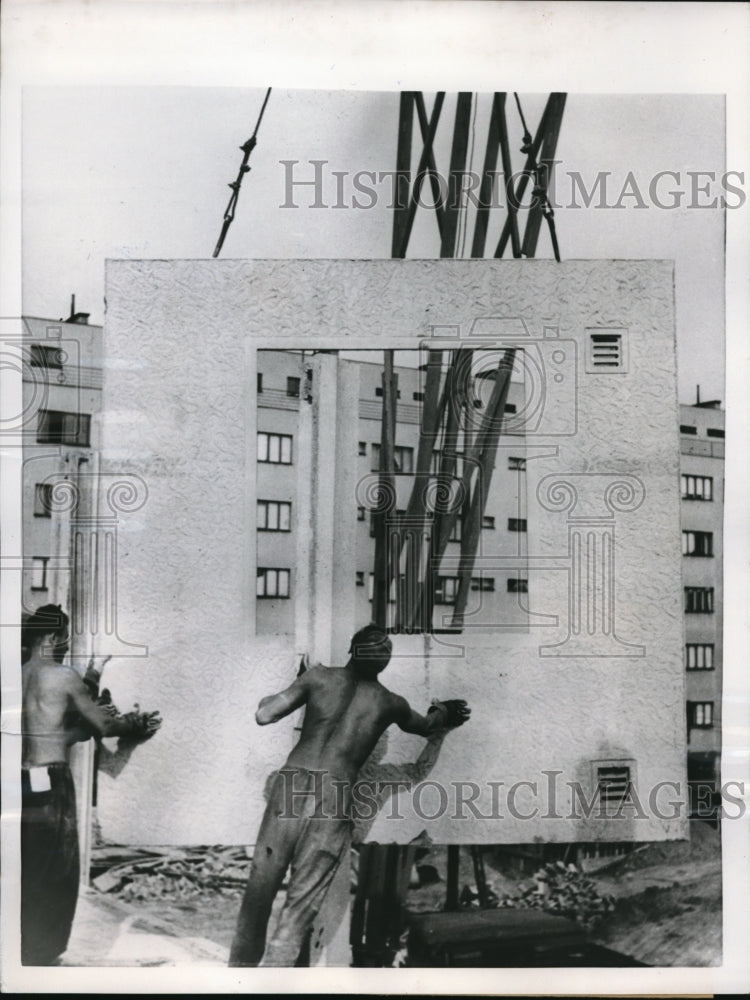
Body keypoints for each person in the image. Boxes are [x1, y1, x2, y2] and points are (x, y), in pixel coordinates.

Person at [229, 623, 470, 967]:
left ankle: (238, 978)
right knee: (298, 910)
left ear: (353, 650)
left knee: (258, 894)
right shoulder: (390, 703)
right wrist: (443, 712)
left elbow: (264, 713)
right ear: (383, 662)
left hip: (292, 784)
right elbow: (428, 727)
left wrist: (299, 685)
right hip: (335, 795)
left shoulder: (318, 677)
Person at [21, 604, 162, 965]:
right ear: (51, 636)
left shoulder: (16, 675)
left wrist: (95, 673)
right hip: (52, 782)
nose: (67, 645)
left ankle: (22, 950)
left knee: (28, 867)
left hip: (20, 782)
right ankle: (44, 955)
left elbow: (55, 730)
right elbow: (105, 726)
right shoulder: (61, 675)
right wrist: (135, 723)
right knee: (60, 872)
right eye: (65, 638)